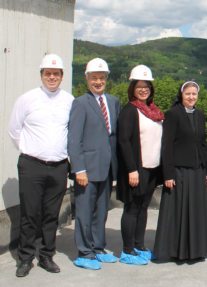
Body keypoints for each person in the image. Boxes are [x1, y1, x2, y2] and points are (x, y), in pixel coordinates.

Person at [8, 54, 74, 277]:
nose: (52, 77)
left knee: (51, 214)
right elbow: (14, 130)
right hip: (32, 165)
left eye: (56, 73)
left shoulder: (69, 100)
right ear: (41, 75)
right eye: (48, 73)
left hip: (58, 166)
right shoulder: (27, 99)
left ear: (62, 76)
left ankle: (46, 255)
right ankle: (25, 258)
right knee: (30, 213)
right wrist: (31, 150)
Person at [68, 58, 121, 270]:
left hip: (107, 167)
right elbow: (74, 139)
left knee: (101, 210)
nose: (98, 82)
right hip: (87, 169)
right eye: (94, 78)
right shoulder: (80, 103)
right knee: (84, 211)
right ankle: (84, 252)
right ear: (87, 79)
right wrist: (78, 168)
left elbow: (114, 136)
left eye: (101, 77)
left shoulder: (114, 101)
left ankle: (98, 247)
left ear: (106, 78)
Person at [154, 81, 207, 262]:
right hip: (179, 171)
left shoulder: (199, 114)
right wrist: (168, 174)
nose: (191, 97)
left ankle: (195, 250)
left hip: (197, 172)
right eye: (188, 94)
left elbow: (202, 144)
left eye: (194, 94)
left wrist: (206, 167)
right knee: (178, 213)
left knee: (195, 211)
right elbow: (167, 146)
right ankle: (175, 251)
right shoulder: (173, 114)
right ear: (181, 95)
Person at [116, 65, 163, 265]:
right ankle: (127, 250)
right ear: (132, 88)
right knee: (132, 208)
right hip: (137, 169)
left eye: (147, 86)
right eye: (139, 86)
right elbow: (124, 141)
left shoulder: (154, 111)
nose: (143, 89)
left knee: (143, 208)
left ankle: (139, 244)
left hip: (152, 168)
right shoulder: (130, 110)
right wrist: (132, 169)